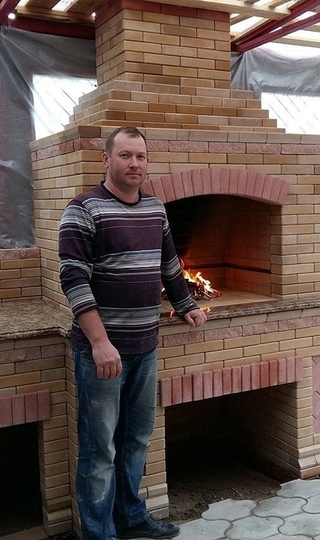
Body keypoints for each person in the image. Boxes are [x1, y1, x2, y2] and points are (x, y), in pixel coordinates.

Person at [58, 126, 207, 540]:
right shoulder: (83, 210)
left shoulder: (155, 209)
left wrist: (186, 304)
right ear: (106, 159)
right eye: (125, 155)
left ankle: (130, 516)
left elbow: (169, 265)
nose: (134, 164)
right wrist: (100, 342)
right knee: (100, 450)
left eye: (140, 156)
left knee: (137, 439)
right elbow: (73, 280)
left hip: (146, 347)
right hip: (104, 354)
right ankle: (99, 534)